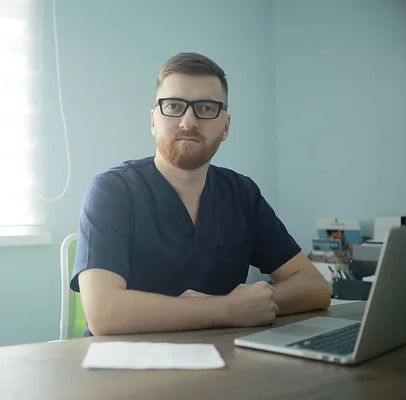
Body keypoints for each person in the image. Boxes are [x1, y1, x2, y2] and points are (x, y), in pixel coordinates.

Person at [70, 52, 331, 336]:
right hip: (123, 368)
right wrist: (228, 309)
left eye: (206, 108)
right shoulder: (111, 191)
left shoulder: (241, 194)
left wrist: (254, 303)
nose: (188, 121)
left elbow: (314, 287)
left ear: (226, 126)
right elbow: (103, 313)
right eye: (173, 106)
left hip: (222, 362)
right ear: (153, 121)